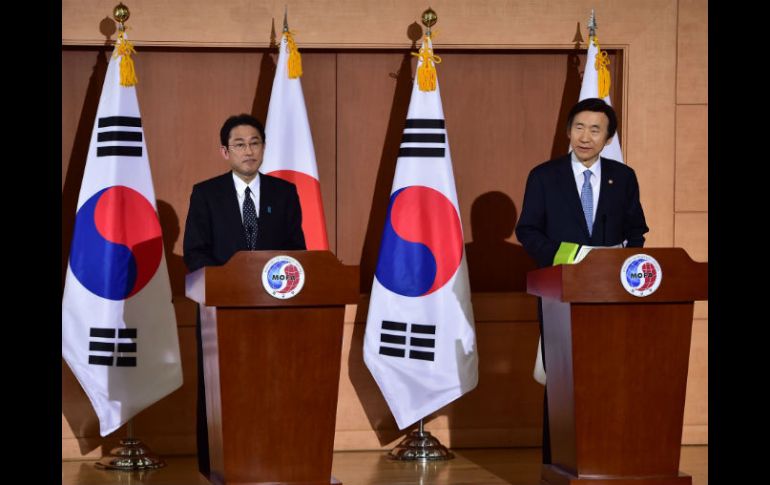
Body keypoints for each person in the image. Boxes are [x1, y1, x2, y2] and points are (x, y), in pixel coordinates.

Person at [515, 98, 649, 464]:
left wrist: (621, 266)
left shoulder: (623, 177)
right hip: (560, 291)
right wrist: (569, 257)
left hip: (610, 293)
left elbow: (636, 230)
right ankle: (557, 462)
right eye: (579, 128)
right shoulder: (544, 176)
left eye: (595, 130)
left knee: (610, 374)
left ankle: (608, 457)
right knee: (562, 377)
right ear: (568, 131)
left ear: (608, 138)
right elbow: (528, 230)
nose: (585, 137)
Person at [183, 113, 306, 477]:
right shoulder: (206, 194)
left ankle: (274, 459)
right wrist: (234, 282)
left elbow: (296, 252)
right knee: (221, 391)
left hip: (274, 312)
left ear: (264, 148)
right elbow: (195, 253)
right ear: (225, 151)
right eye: (239, 144)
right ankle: (215, 466)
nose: (248, 151)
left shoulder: (285, 193)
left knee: (273, 387)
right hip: (221, 312)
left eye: (255, 143)